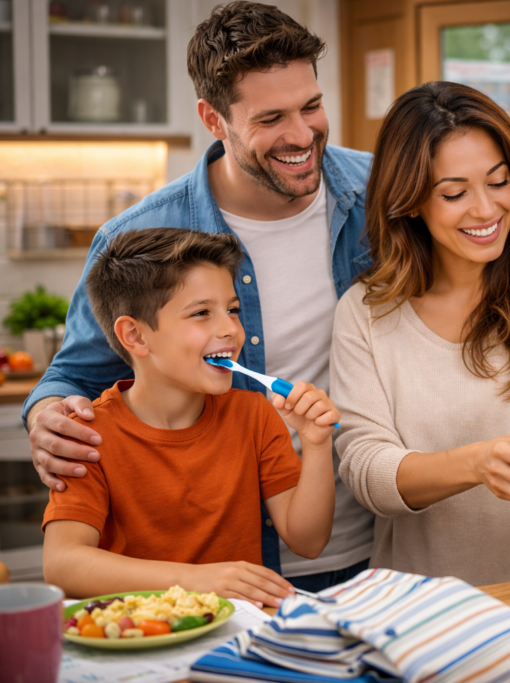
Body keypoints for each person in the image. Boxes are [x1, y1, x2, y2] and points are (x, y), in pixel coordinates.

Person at [23, 2, 375, 594]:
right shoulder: (140, 234)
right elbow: (72, 378)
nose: (301, 134)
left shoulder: (383, 191)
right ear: (213, 118)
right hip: (233, 578)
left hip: (378, 545)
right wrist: (48, 420)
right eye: (271, 118)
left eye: (311, 106)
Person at [331, 82, 510, 614]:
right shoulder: (366, 312)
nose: (486, 208)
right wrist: (476, 464)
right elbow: (368, 473)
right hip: (418, 618)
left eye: (498, 181)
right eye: (454, 193)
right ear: (410, 201)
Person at [43, 229, 339, 606]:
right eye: (202, 313)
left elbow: (308, 542)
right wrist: (195, 581)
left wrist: (316, 444)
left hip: (240, 632)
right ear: (135, 336)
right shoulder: (87, 436)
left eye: (232, 310)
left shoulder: (253, 416)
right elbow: (61, 564)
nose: (231, 329)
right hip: (141, 632)